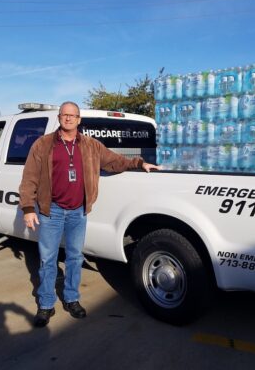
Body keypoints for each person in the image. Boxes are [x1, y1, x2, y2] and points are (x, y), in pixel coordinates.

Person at [19, 101, 160, 327]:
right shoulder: (43, 145)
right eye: (64, 115)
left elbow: (115, 161)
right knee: (48, 260)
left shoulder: (91, 145)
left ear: (79, 119)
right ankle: (46, 304)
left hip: (78, 212)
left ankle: (72, 299)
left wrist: (140, 163)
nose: (68, 119)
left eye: (72, 115)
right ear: (59, 118)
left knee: (75, 258)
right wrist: (27, 208)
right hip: (51, 211)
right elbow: (29, 178)